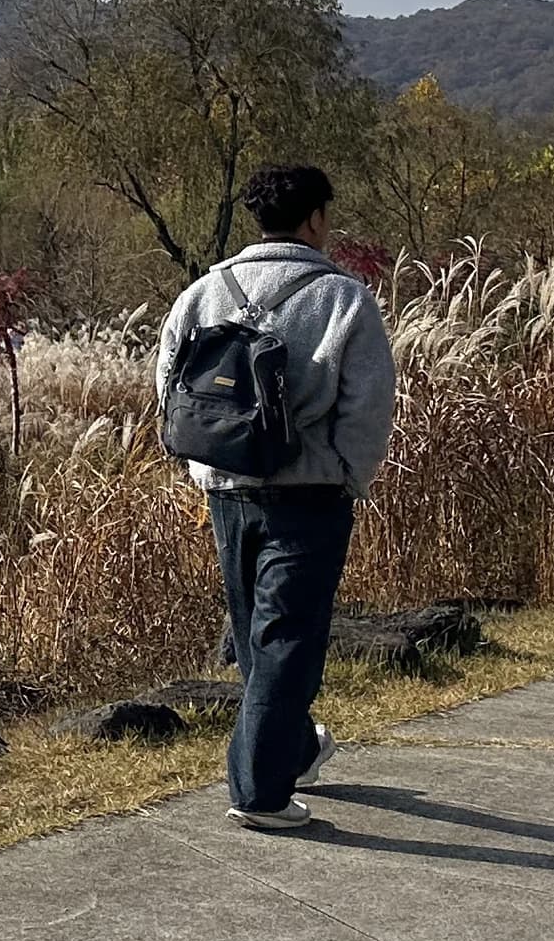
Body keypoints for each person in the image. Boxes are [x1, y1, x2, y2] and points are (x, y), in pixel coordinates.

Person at [155, 164, 399, 831]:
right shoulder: (343, 298)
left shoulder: (204, 292)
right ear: (316, 217)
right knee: (288, 636)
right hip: (309, 493)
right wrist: (349, 473)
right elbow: (368, 404)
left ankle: (293, 749)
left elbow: (169, 387)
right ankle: (260, 794)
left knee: (255, 633)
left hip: (227, 492)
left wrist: (205, 468)